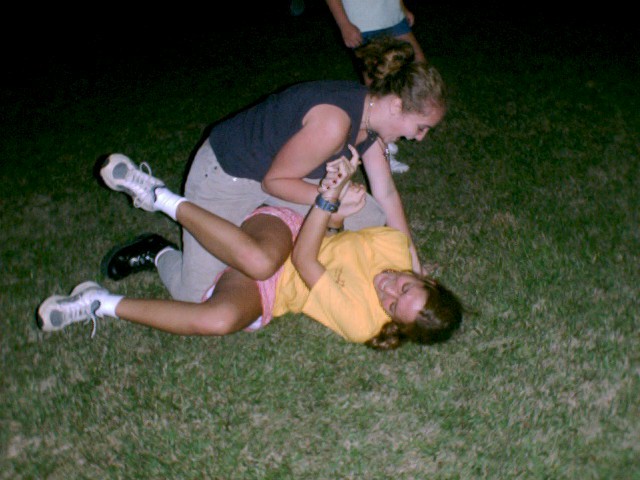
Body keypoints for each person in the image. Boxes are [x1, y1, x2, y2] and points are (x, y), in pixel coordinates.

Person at [99, 36, 447, 304]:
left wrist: (413, 268)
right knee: (193, 294)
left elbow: (387, 194)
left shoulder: (371, 117)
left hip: (277, 172)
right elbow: (275, 182)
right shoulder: (334, 123)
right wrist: (332, 202)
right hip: (227, 174)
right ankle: (157, 249)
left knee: (371, 213)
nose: (419, 138)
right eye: (421, 127)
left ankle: (304, 243)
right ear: (397, 105)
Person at [37, 149, 463, 350]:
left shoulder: (362, 323)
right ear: (424, 278)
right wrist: (330, 204)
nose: (387, 289)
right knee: (259, 261)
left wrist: (328, 202)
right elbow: (323, 241)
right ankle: (158, 197)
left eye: (393, 306)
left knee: (219, 318)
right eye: (404, 288)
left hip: (273, 291)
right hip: (287, 232)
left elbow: (305, 265)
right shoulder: (393, 244)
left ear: (393, 322)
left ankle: (98, 302)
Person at [325, 0, 428, 174]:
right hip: (364, 24)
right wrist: (344, 24)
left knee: (420, 72)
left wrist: (401, 7)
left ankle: (403, 124)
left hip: (393, 17)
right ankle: (383, 153)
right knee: (377, 94)